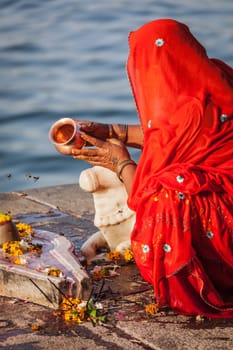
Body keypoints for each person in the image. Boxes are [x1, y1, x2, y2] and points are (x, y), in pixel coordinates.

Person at [72, 18, 233, 318]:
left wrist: (120, 164)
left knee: (169, 199)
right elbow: (174, 134)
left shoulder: (190, 112)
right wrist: (112, 131)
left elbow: (148, 200)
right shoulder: (214, 79)